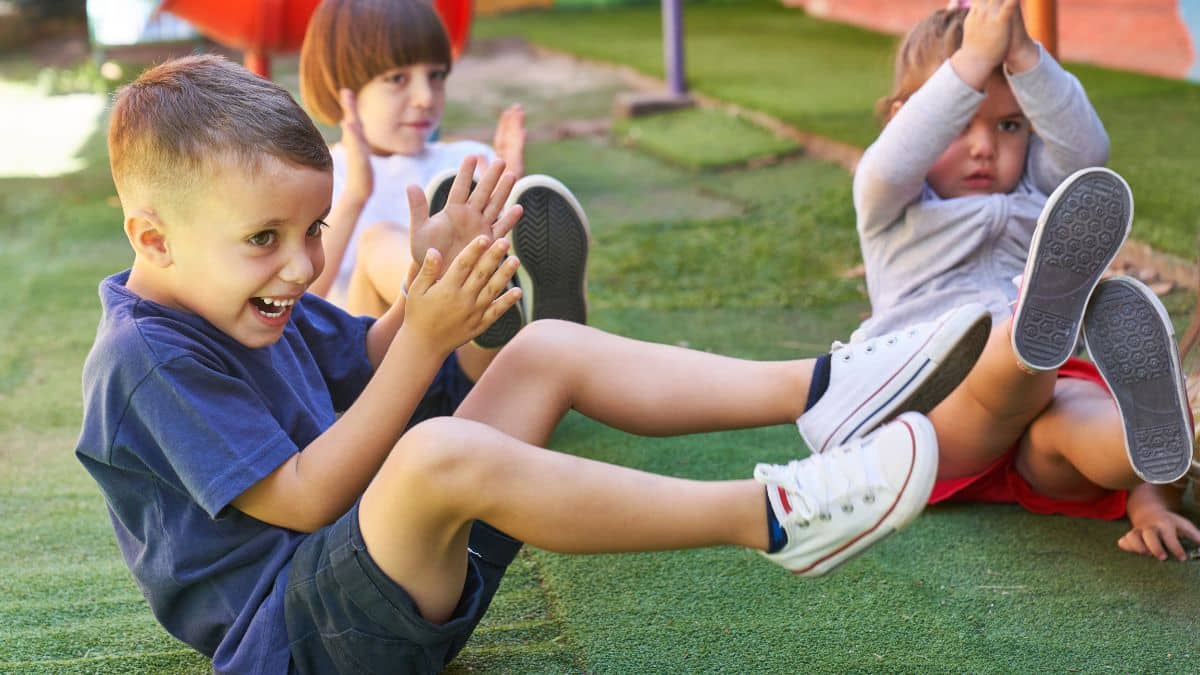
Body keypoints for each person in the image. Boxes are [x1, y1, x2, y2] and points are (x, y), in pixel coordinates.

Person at [76, 54, 993, 673]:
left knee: (543, 348)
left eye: (312, 231)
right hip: (306, 634)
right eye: (263, 239)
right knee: (432, 449)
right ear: (151, 236)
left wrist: (422, 290)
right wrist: (431, 337)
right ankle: (772, 516)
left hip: (389, 576)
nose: (304, 264)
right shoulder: (146, 359)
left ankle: (826, 388)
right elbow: (305, 495)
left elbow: (360, 357)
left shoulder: (243, 301)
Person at [850, 0, 1198, 561]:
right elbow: (888, 164)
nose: (985, 146)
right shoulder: (894, 205)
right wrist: (975, 58)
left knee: (1080, 418)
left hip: (1039, 420)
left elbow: (1089, 154)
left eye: (1009, 125)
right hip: (936, 401)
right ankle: (1027, 332)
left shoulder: (1039, 198)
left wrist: (1024, 56)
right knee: (1006, 365)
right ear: (903, 120)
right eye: (958, 123)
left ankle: (1158, 445)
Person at [297, 0, 589, 357]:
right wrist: (357, 194)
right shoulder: (322, 176)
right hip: (375, 373)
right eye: (397, 79)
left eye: (436, 76)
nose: (424, 98)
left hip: (468, 364)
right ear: (342, 90)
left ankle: (537, 318)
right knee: (378, 241)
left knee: (482, 246)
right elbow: (298, 306)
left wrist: (510, 201)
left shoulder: (462, 162)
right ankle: (480, 294)